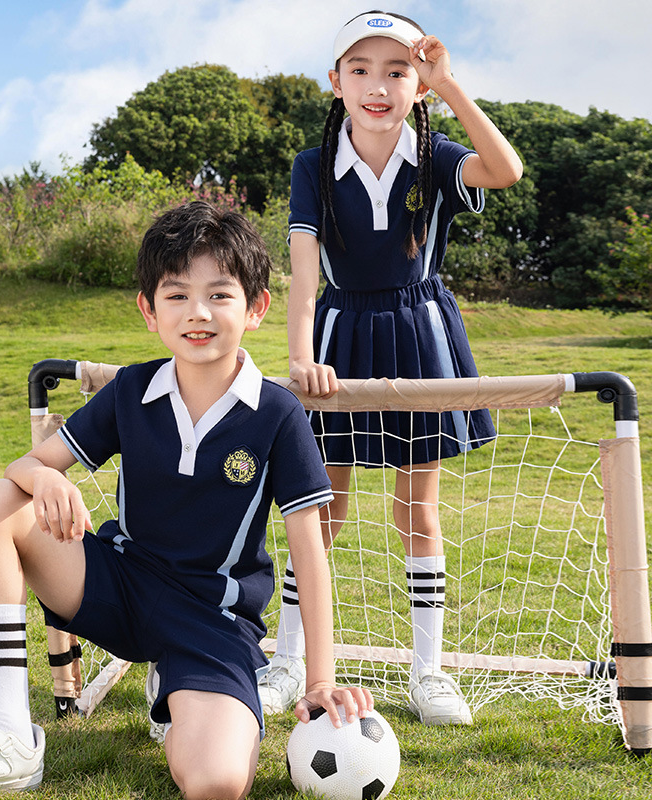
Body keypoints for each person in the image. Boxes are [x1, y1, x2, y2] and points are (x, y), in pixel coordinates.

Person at [0, 201, 373, 800]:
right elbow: (25, 467)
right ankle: (8, 737)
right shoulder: (131, 390)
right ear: (149, 310)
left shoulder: (278, 414)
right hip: (120, 584)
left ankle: (179, 695)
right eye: (177, 295)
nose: (198, 313)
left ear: (256, 308)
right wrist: (46, 479)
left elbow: (310, 552)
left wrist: (320, 679)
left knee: (217, 782)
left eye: (219, 295)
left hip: (210, 622)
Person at [258, 11, 523, 726]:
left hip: (419, 334)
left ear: (419, 85)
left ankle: (428, 673)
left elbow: (505, 169)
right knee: (321, 508)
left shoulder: (435, 156)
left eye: (398, 71)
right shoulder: (313, 165)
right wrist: (301, 357)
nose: (378, 86)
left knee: (417, 509)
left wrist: (452, 85)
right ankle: (289, 660)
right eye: (361, 70)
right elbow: (305, 278)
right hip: (339, 336)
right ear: (336, 81)